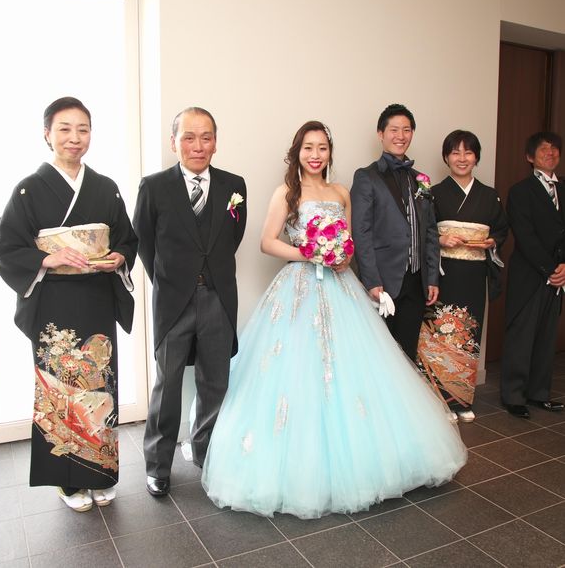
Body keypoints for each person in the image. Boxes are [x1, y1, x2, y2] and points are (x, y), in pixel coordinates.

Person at [201, 121, 467, 519]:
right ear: (297, 153)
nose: (315, 155)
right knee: (298, 370)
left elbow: (352, 241)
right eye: (308, 148)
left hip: (341, 287)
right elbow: (267, 242)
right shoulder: (286, 192)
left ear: (329, 153)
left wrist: (342, 255)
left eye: (322, 148)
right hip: (299, 286)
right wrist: (310, 253)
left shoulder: (341, 192)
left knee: (354, 368)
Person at [0, 97, 137, 512]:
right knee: (61, 388)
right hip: (53, 304)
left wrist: (119, 256)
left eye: (83, 129)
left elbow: (127, 238)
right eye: (65, 129)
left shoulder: (105, 187)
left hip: (96, 299)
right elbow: (4, 244)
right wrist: (46, 258)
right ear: (47, 134)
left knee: (100, 384)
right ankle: (68, 482)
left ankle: (101, 474)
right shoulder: (29, 189)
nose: (75, 138)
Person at [133, 107, 247, 497]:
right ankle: (158, 466)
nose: (198, 146)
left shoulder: (234, 185)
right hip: (174, 301)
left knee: (215, 381)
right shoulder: (154, 187)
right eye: (189, 137)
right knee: (167, 386)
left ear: (215, 142)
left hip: (218, 297)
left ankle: (205, 452)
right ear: (174, 142)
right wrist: (172, 281)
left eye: (206, 137)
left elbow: (232, 238)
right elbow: (145, 243)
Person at [416, 130, 508, 423]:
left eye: (468, 152)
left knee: (467, 334)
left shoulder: (489, 195)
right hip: (443, 273)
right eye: (455, 152)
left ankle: (461, 400)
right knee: (438, 335)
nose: (462, 158)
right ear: (446, 157)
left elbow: (500, 229)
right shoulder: (434, 193)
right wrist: (441, 239)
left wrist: (491, 241)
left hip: (474, 273)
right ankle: (438, 401)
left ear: (476, 157)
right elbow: (422, 231)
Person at [351, 104, 440, 361]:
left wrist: (432, 277)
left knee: (408, 353)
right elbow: (361, 232)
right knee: (381, 356)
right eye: (394, 130)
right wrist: (371, 281)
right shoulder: (366, 177)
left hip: (416, 281)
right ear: (381, 134)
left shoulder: (421, 179)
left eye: (407, 130)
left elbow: (430, 231)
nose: (401, 136)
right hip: (383, 281)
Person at [501, 132, 565, 418]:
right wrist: (550, 269)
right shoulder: (520, 191)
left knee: (547, 336)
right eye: (543, 149)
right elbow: (524, 236)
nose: (550, 153)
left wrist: (564, 267)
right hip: (530, 274)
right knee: (522, 335)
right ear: (530, 157)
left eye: (554, 149)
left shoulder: (563, 188)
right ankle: (514, 396)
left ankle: (539, 393)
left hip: (559, 275)